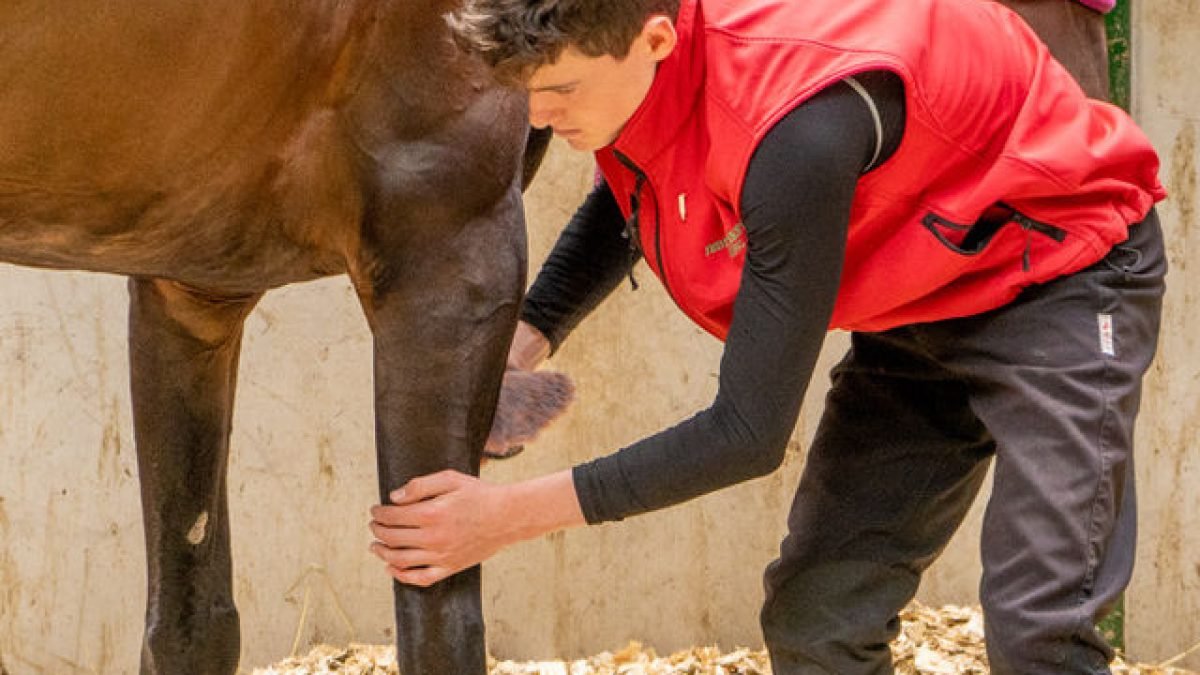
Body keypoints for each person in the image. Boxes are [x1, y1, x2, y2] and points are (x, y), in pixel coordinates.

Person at [367, 0, 1167, 672]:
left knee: (1039, 626)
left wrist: (502, 515)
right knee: (816, 619)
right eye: (527, 94)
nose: (541, 117)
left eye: (561, 90)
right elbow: (638, 184)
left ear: (653, 37)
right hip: (920, 301)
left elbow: (747, 432)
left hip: (1062, 274)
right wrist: (528, 338)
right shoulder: (647, 61)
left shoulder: (799, 126)